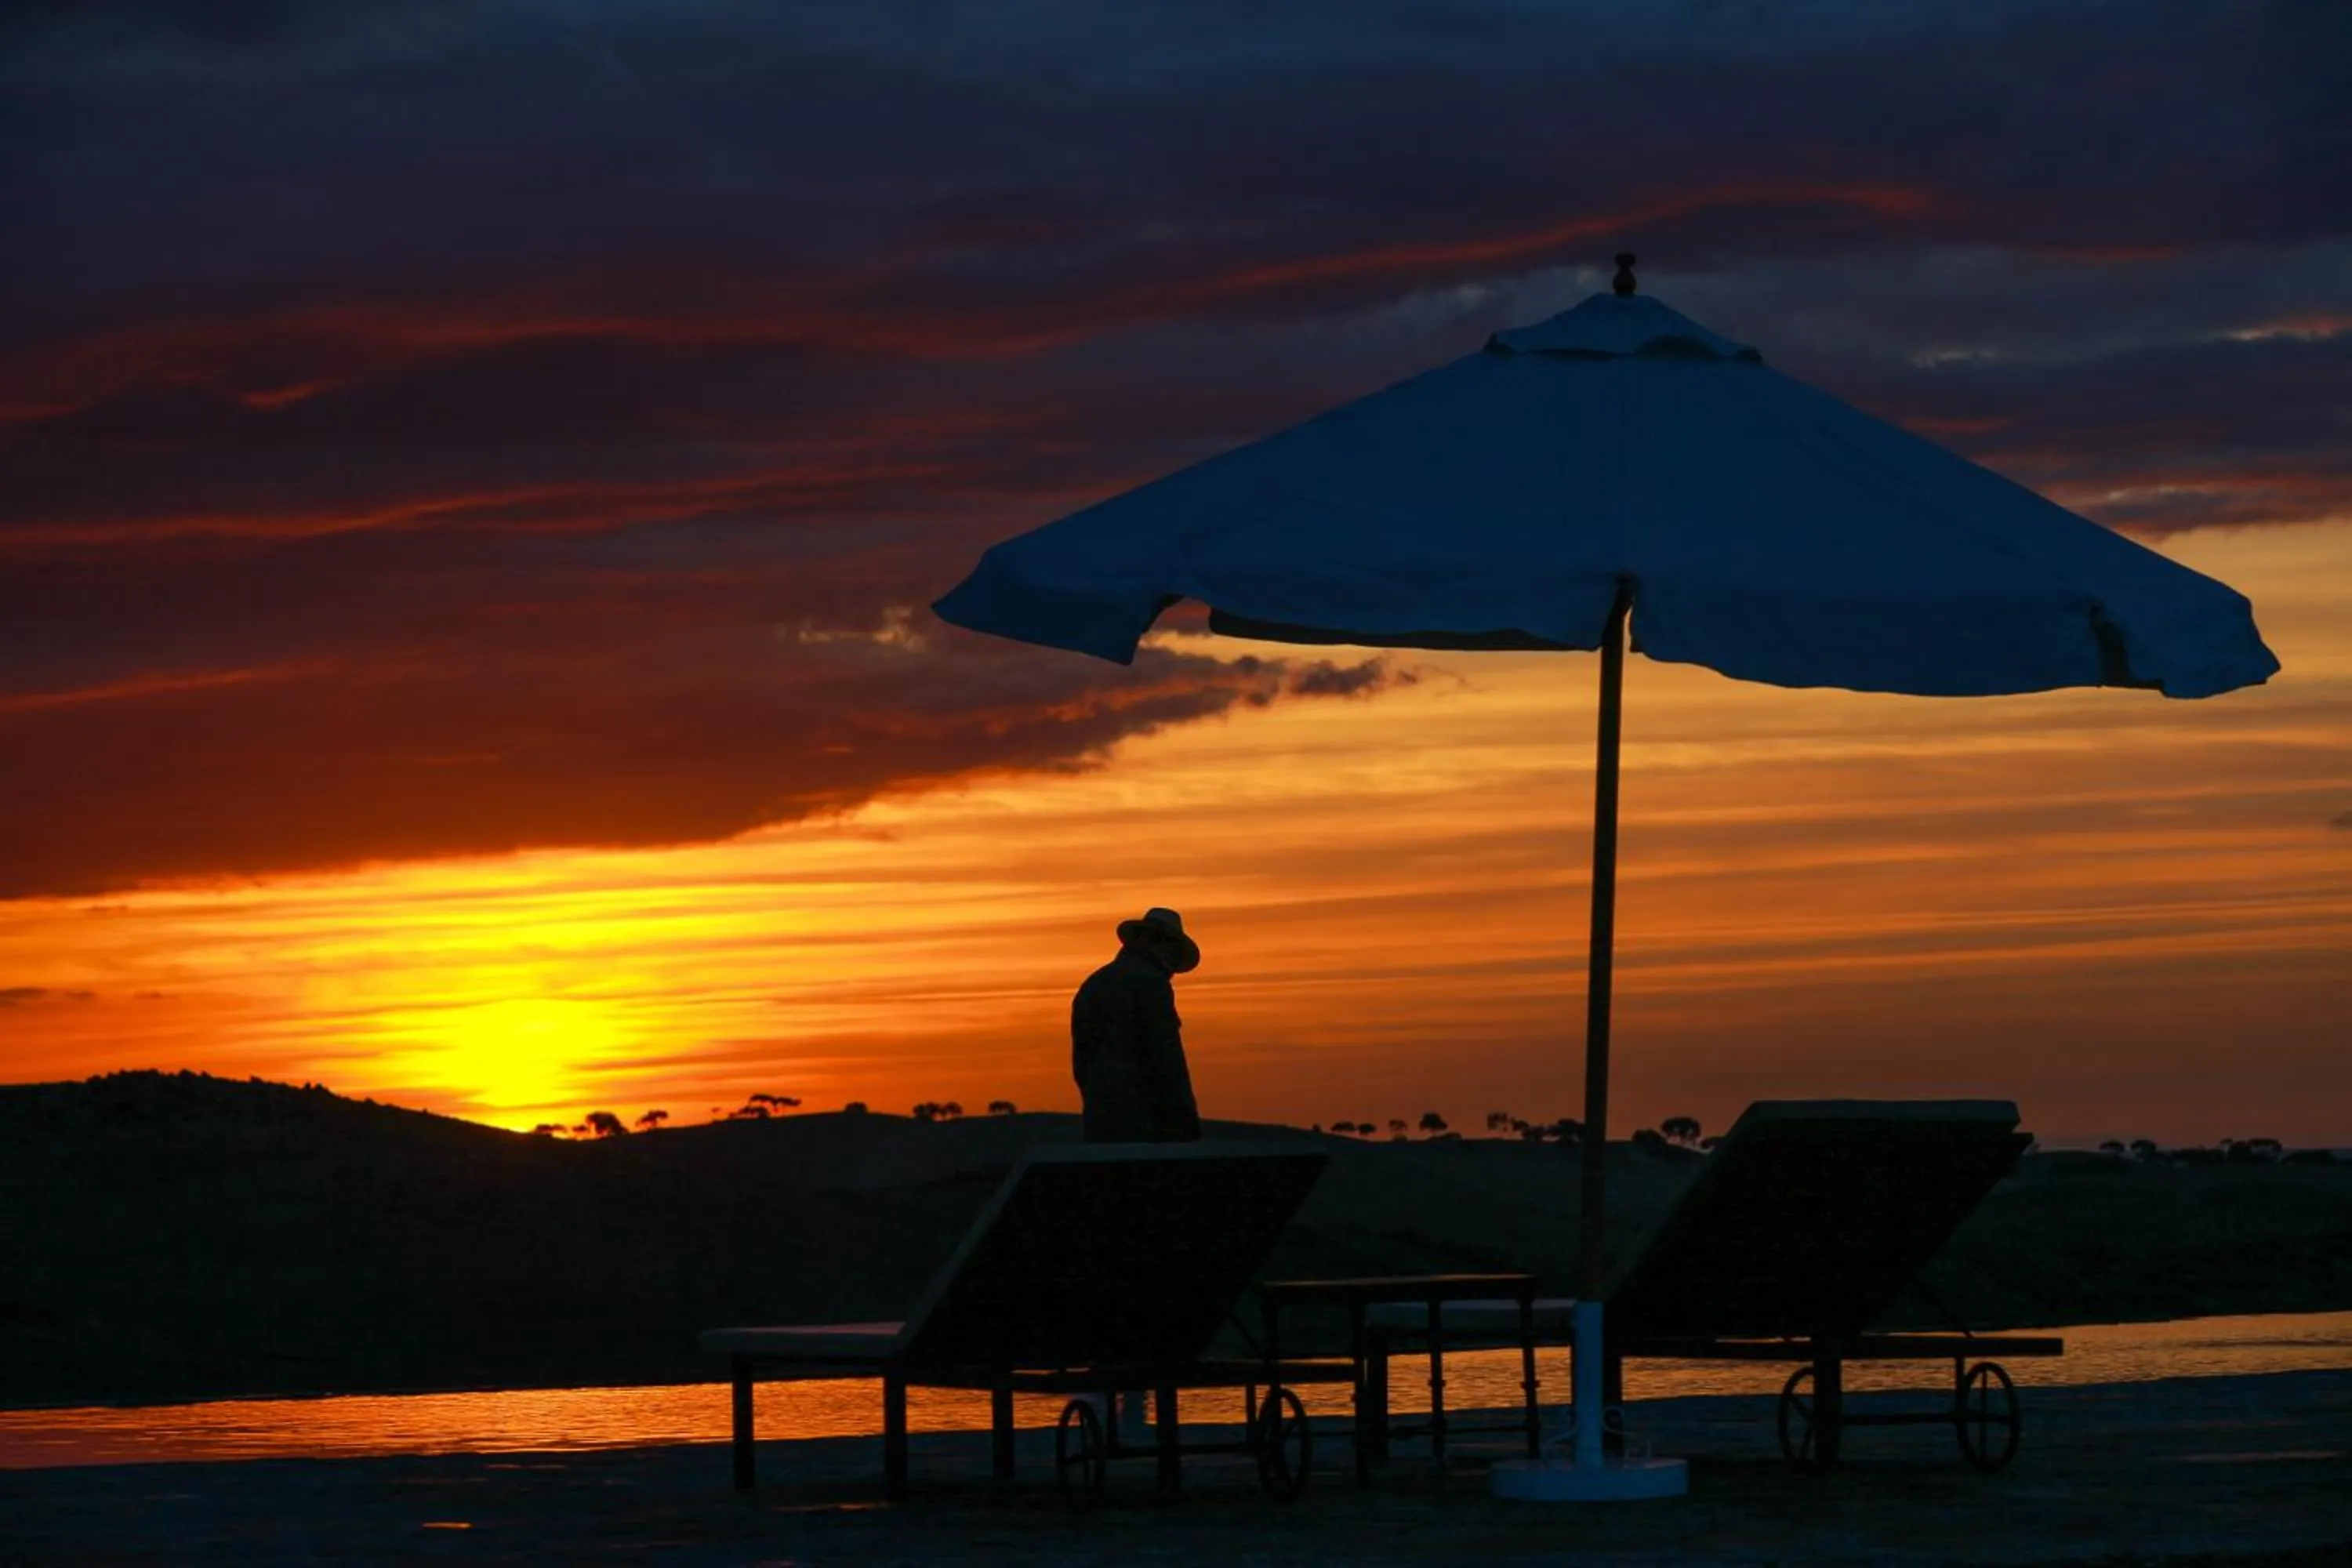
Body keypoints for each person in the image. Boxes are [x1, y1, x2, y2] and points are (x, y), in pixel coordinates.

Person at [1071, 906, 1203, 1144]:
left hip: (1101, 1122)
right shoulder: (1151, 984)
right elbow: (1167, 1060)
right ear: (1162, 944)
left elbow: (1082, 1062)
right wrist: (1187, 1125)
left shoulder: (1093, 984)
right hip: (1149, 1127)